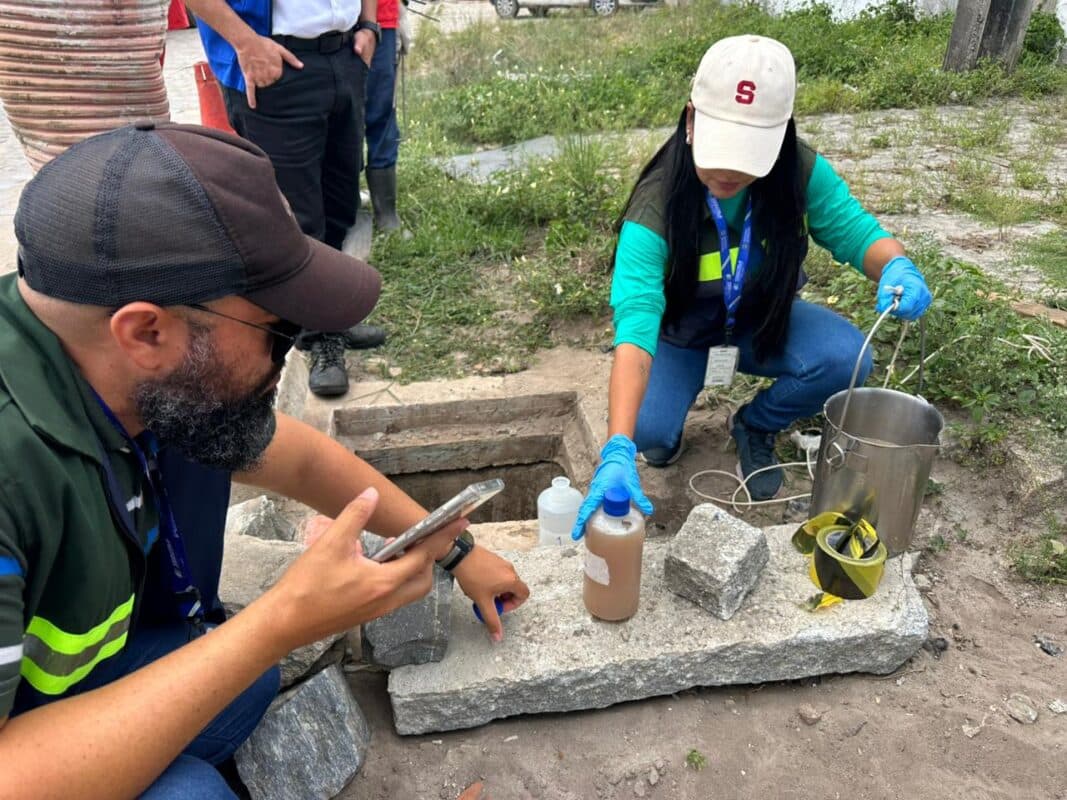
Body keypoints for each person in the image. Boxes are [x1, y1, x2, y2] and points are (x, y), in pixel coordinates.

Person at [0, 122, 528, 798]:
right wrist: (282, 620)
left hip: (45, 694)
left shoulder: (122, 371)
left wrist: (453, 546)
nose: (291, 356)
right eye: (276, 332)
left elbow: (301, 461)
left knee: (244, 680)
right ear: (146, 330)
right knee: (195, 790)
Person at [571, 34, 932, 538]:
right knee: (646, 433)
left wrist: (897, 266)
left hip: (765, 323)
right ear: (691, 119)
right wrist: (616, 449)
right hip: (684, 338)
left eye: (748, 155)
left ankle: (755, 424)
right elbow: (635, 329)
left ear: (780, 135)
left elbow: (857, 233)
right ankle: (663, 429)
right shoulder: (655, 209)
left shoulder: (799, 173)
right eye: (721, 150)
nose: (729, 171)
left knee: (847, 358)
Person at [185, 0, 389, 398]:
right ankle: (317, 336)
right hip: (275, 61)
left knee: (340, 202)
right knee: (299, 218)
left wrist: (370, 25)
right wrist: (245, 43)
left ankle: (332, 315)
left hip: (345, 55)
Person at [363, 0, 404, 231]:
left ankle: (386, 213)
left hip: (382, 19)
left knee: (382, 112)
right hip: (331, 25)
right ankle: (350, 207)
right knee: (343, 118)